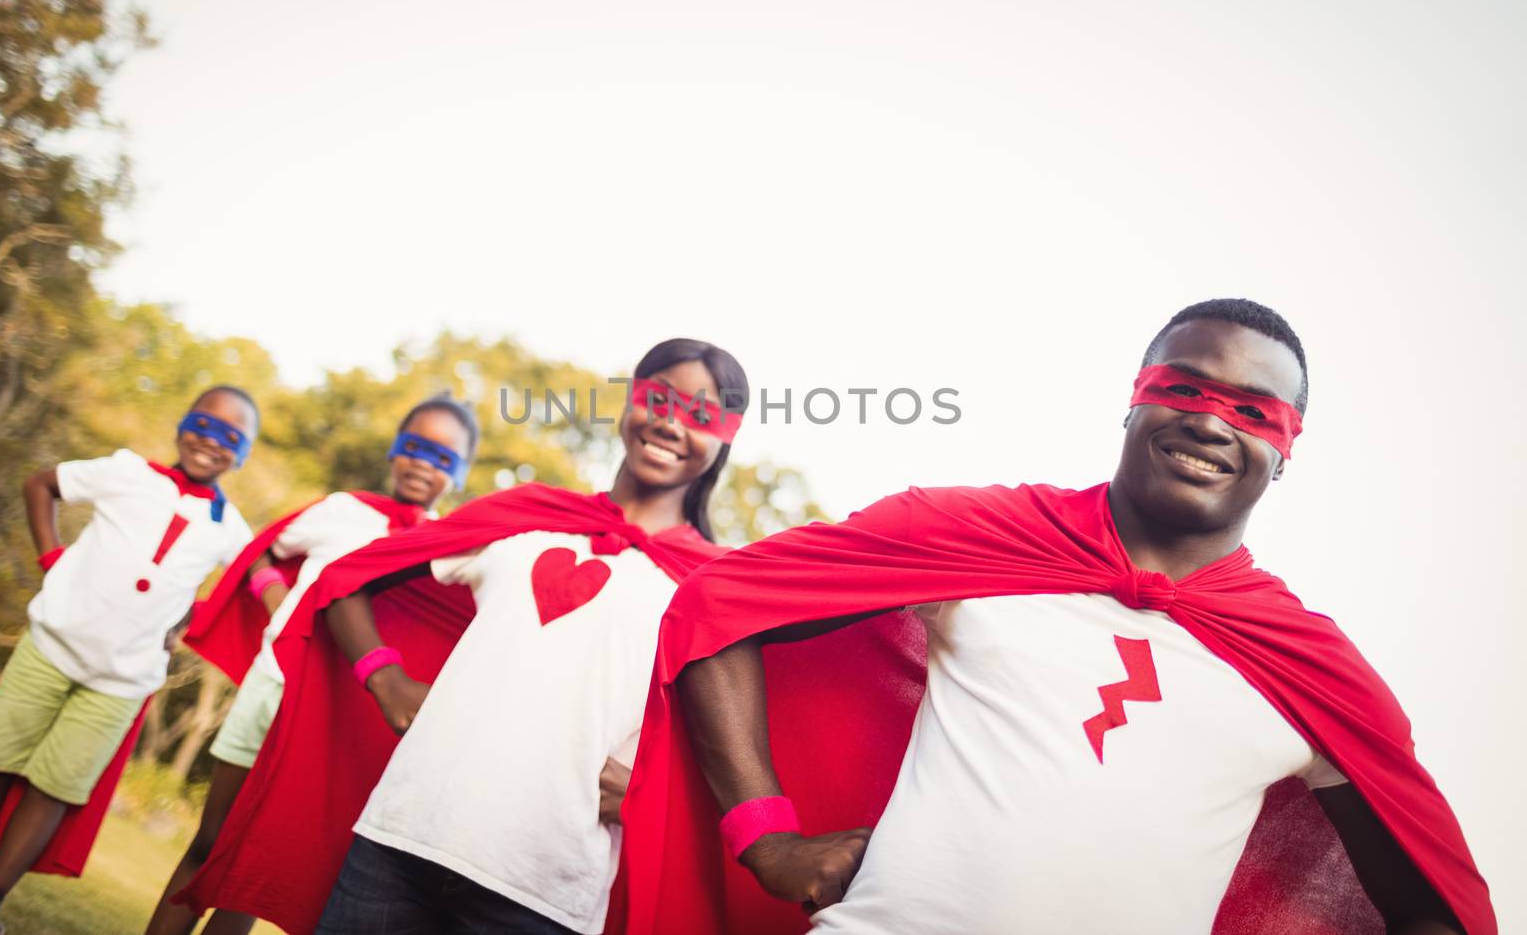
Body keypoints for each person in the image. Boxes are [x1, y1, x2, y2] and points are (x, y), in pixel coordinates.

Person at [615, 299, 1495, 935]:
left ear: (1284, 451)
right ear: (1134, 401)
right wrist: (766, 837)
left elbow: (1433, 904)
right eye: (1184, 388)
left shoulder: (1310, 666)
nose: (1211, 421)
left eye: (1252, 410)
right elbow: (721, 603)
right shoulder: (978, 534)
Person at [178, 338, 746, 935]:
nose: (670, 422)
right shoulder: (527, 518)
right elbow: (349, 579)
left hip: (543, 888)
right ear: (629, 401)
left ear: (724, 439)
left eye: (701, 415)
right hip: (400, 840)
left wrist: (653, 791)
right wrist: (385, 677)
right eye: (658, 398)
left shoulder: (706, 589)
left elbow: (731, 735)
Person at [0, 387, 259, 935]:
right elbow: (42, 484)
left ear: (241, 454)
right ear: (182, 423)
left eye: (230, 436)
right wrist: (52, 558)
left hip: (122, 680)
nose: (211, 441)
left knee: (55, 786)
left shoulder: (231, 529)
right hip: (53, 644)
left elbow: (244, 593)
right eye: (203, 423)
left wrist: (184, 620)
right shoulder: (127, 472)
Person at [144, 394, 478, 935]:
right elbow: (264, 550)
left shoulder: (445, 549)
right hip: (273, 687)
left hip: (335, 721)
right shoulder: (344, 510)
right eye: (415, 447)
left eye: (443, 458)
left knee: (258, 861)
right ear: (395, 450)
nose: (424, 463)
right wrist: (281, 605)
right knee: (212, 841)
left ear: (459, 473)